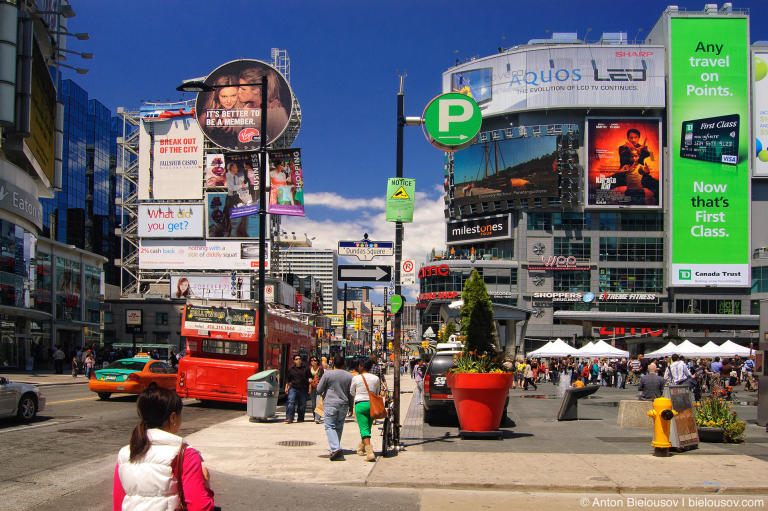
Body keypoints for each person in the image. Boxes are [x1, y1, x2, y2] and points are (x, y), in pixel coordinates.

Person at [113, 387, 214, 510]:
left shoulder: (126, 453)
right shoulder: (185, 454)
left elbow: (119, 503)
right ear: (173, 418)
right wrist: (206, 484)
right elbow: (200, 506)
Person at [316, 355, 354, 461]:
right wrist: (351, 407)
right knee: (339, 426)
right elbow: (350, 393)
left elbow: (319, 389)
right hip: (344, 404)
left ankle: (336, 448)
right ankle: (335, 449)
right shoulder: (349, 376)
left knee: (329, 426)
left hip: (330, 403)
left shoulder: (328, 374)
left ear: (333, 364)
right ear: (343, 364)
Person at [350, 359, 381, 462]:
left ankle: (370, 452)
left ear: (361, 366)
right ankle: (361, 447)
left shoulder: (356, 378)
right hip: (372, 404)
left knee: (364, 429)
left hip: (360, 404)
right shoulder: (376, 378)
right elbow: (377, 392)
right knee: (367, 427)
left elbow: (352, 391)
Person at [284, 355, 311, 423]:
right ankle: (289, 418)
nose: (298, 360)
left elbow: (310, 378)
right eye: (296, 359)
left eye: (299, 359)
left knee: (302, 405)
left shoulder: (306, 369)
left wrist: (310, 388)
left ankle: (300, 418)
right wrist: (286, 387)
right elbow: (288, 379)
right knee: (291, 403)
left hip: (303, 388)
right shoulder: (291, 369)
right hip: (293, 388)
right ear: (294, 361)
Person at [308, 356, 324, 424]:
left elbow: (322, 377)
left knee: (318, 402)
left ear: (317, 361)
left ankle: (317, 418)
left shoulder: (320, 369)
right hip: (312, 387)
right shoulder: (309, 369)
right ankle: (315, 417)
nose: (313, 362)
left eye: (315, 360)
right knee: (313, 404)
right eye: (312, 360)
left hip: (319, 387)